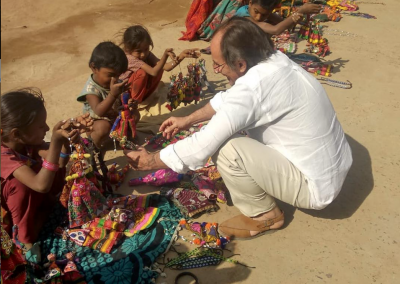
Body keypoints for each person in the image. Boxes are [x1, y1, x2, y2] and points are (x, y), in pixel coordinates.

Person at [124, 17, 352, 240]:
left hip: (314, 188)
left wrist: (150, 161)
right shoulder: (275, 61)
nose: (216, 70)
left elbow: (202, 145)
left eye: (218, 64)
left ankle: (265, 215)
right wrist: (187, 120)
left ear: (241, 64)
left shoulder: (254, 88)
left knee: (227, 148)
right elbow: (229, 99)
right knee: (233, 130)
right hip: (333, 168)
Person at [1, 88, 93, 250]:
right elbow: (41, 185)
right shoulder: (3, 156)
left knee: (49, 165)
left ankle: (43, 211)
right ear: (16, 134)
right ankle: (23, 239)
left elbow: (58, 160)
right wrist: (56, 142)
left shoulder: (24, 141)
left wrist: (65, 141)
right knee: (19, 184)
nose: (47, 129)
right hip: (8, 214)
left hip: (34, 200)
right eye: (40, 126)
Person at [119, 25, 200, 104]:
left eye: (146, 49)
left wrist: (182, 55)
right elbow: (153, 72)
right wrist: (165, 55)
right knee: (142, 73)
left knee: (159, 68)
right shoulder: (129, 58)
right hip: (127, 94)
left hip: (141, 91)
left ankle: (143, 98)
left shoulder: (146, 54)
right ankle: (134, 103)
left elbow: (166, 67)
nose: (143, 54)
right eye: (138, 51)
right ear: (128, 49)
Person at [77, 41, 130, 149]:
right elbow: (99, 111)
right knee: (103, 127)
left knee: (132, 115)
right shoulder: (91, 89)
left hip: (114, 117)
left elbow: (122, 100)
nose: (114, 79)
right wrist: (112, 94)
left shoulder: (115, 80)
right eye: (110, 75)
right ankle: (92, 148)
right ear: (94, 68)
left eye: (118, 75)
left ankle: (122, 139)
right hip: (95, 123)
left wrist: (128, 102)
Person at [236, 0, 321, 35]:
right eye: (256, 12)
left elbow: (282, 23)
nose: (258, 17)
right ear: (250, 3)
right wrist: (301, 11)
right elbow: (275, 30)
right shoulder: (244, 16)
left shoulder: (263, 12)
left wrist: (296, 18)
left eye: (264, 15)